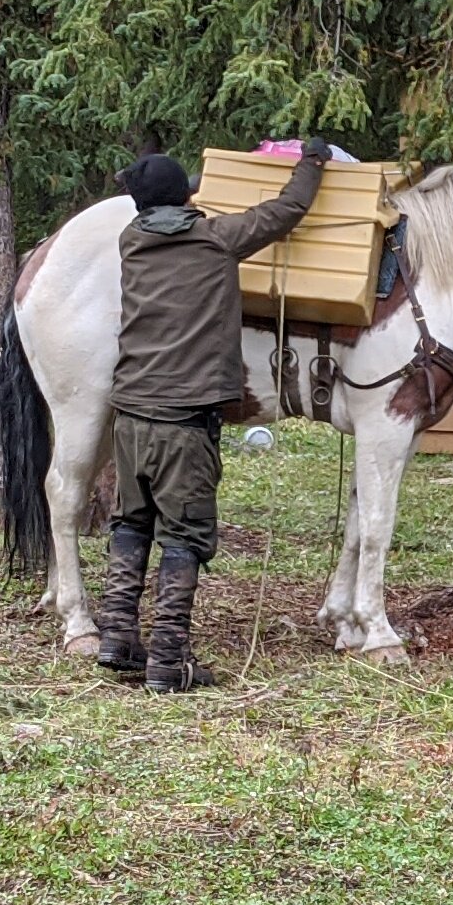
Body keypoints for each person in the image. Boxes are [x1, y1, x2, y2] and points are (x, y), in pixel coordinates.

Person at [95, 143, 326, 691]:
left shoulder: (132, 240)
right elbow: (287, 210)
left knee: (132, 522)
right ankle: (169, 661)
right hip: (184, 420)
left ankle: (117, 637)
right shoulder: (216, 240)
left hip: (128, 413)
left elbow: (160, 205)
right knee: (185, 535)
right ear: (188, 197)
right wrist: (312, 161)